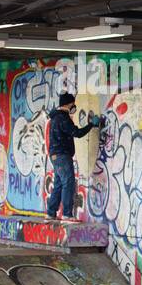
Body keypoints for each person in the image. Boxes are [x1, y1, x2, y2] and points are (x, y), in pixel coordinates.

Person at [45, 92, 99, 221]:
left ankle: (51, 213)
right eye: (73, 104)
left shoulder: (54, 118)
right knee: (68, 183)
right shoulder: (63, 118)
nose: (74, 106)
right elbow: (77, 133)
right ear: (69, 104)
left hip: (55, 156)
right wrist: (92, 124)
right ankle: (67, 214)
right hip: (63, 156)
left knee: (58, 184)